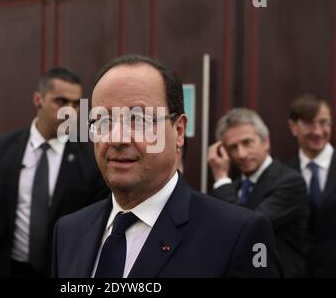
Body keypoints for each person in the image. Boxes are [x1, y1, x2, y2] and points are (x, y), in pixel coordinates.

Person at [52, 55, 282, 278]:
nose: (117, 138)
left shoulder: (237, 234)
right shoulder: (69, 231)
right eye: (103, 121)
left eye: (139, 120)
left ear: (178, 131)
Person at [0, 67, 108, 277]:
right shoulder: (2, 148)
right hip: (5, 269)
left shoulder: (91, 158)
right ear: (38, 99)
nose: (70, 112)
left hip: (63, 271)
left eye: (76, 104)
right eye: (61, 102)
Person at [207, 108, 308, 277]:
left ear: (265, 141)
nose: (241, 154)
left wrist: (221, 178)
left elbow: (247, 227)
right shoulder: (233, 188)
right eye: (233, 147)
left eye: (247, 142)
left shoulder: (290, 182)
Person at [288, 94, 336, 277]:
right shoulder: (283, 173)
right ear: (293, 127)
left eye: (323, 123)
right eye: (309, 124)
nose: (317, 131)